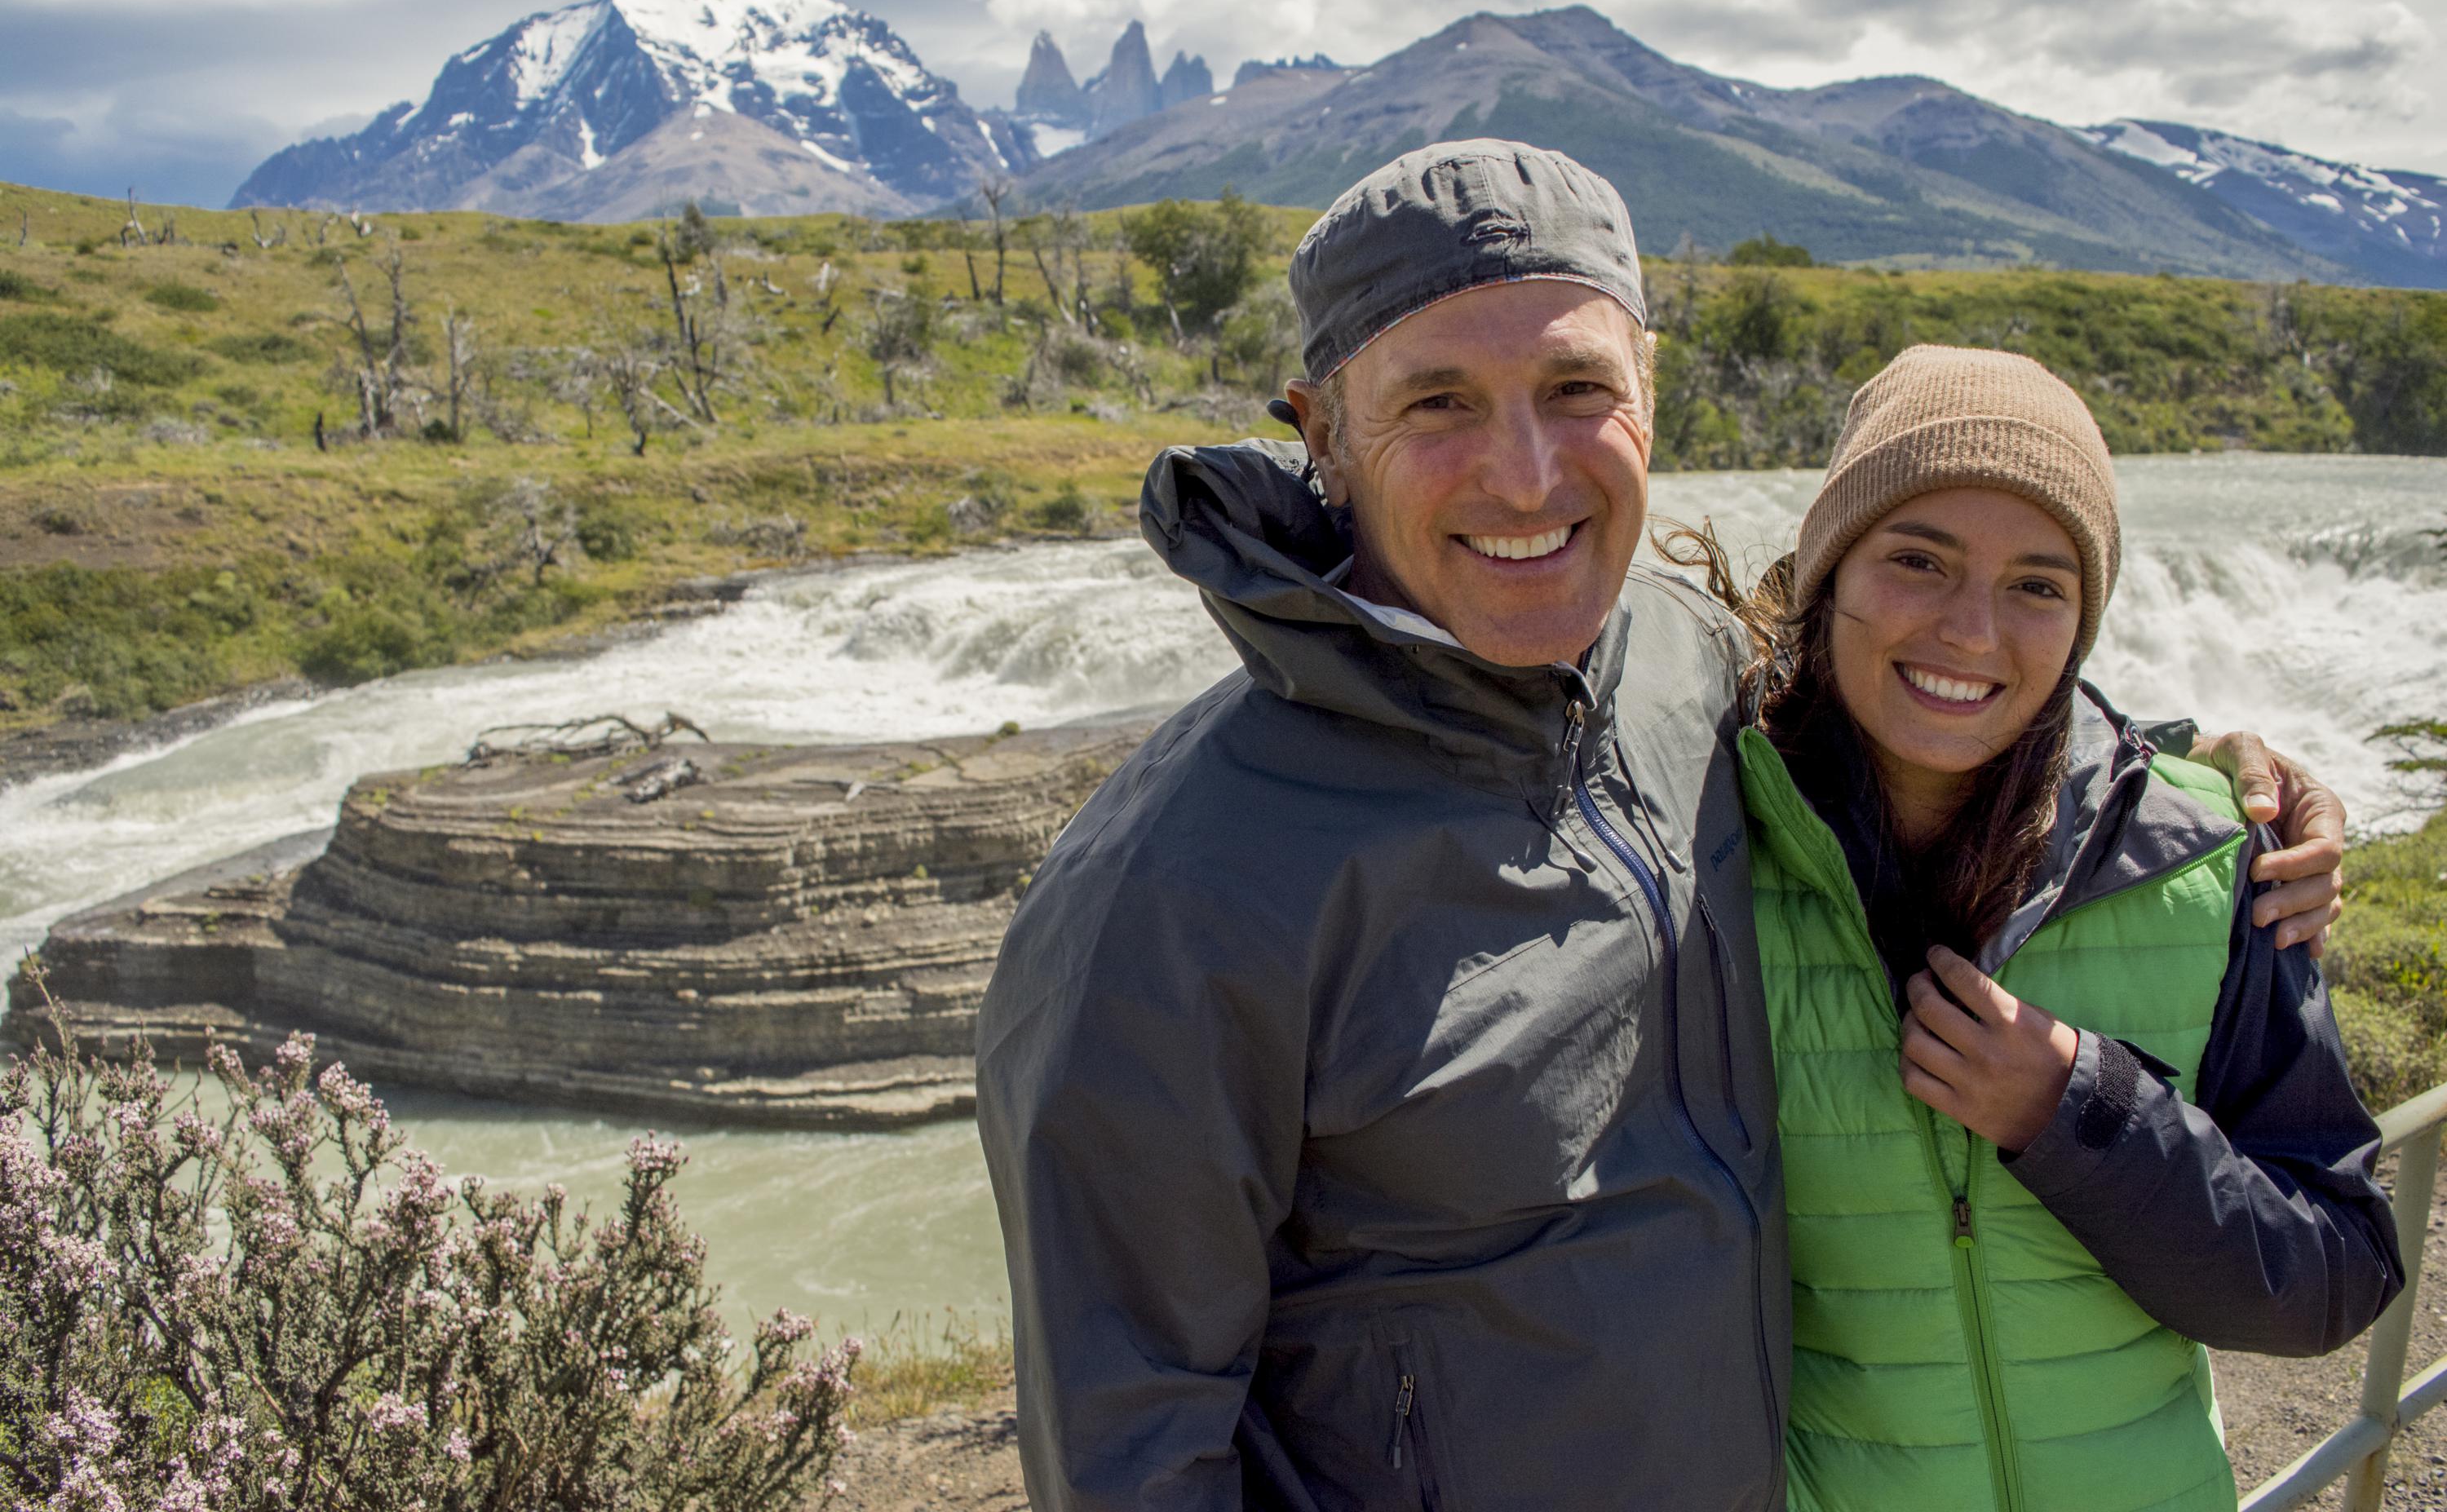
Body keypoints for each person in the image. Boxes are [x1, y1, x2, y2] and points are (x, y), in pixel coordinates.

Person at [976, 141, 2350, 1512]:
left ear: (1652, 395)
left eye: (1579, 389)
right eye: (1440, 401)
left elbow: (1945, 692)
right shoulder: (1168, 895)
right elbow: (1130, 1449)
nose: (1525, 477)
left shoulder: (1690, 663)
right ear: (1321, 431)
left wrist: (2202, 777)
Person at [1684, 345, 2401, 1511]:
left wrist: (2087, 1113)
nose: (1973, 631)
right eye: (1917, 560)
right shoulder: (1694, 864)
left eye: (2038, 584)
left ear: (2083, 619)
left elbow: (2333, 1273)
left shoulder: (2210, 866)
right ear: (1828, 574)